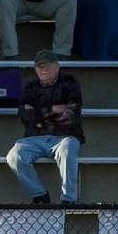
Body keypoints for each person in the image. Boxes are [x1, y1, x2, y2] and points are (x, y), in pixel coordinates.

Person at [6, 50, 84, 204]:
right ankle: (39, 195)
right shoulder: (30, 86)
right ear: (35, 69)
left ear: (57, 66)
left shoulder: (70, 82)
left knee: (68, 147)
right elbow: (24, 114)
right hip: (35, 137)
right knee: (14, 155)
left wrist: (39, 114)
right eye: (40, 67)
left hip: (64, 136)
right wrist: (54, 111)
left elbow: (71, 113)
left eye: (48, 66)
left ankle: (68, 199)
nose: (44, 70)